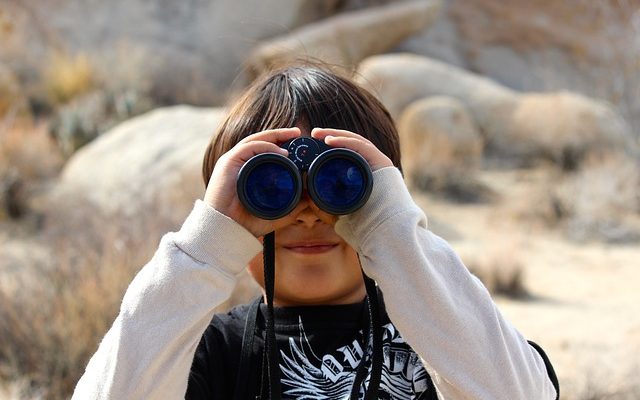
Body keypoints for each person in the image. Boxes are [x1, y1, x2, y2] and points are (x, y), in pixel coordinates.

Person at [72, 64, 559, 399]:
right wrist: (205, 248)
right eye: (270, 186)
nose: (308, 214)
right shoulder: (208, 351)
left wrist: (394, 234)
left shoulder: (445, 336)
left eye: (342, 183)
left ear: (386, 193)